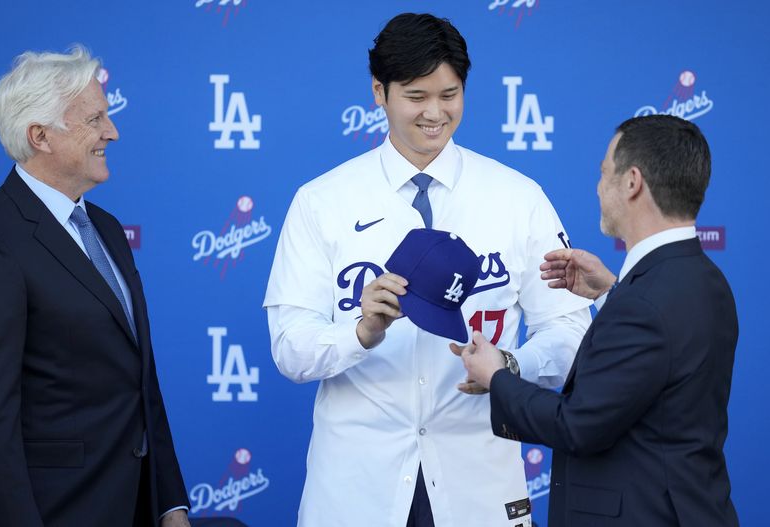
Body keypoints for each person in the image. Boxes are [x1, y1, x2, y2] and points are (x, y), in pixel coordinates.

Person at [264, 13, 591, 527]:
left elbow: (572, 331)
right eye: (416, 97)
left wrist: (509, 367)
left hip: (479, 481)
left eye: (450, 94)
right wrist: (360, 332)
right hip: (357, 488)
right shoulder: (321, 201)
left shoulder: (518, 198)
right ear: (380, 92)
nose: (435, 113)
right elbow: (289, 347)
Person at [454, 114, 739, 526]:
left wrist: (497, 375)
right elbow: (660, 354)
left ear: (632, 182)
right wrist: (611, 292)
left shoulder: (644, 301)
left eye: (605, 172)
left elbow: (576, 427)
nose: (598, 186)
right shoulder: (706, 279)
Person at [0, 46, 190, 527]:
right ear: (40, 136)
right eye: (94, 119)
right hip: (59, 510)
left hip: (136, 506)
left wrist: (169, 503)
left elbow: (141, 382)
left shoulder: (108, 228)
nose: (111, 132)